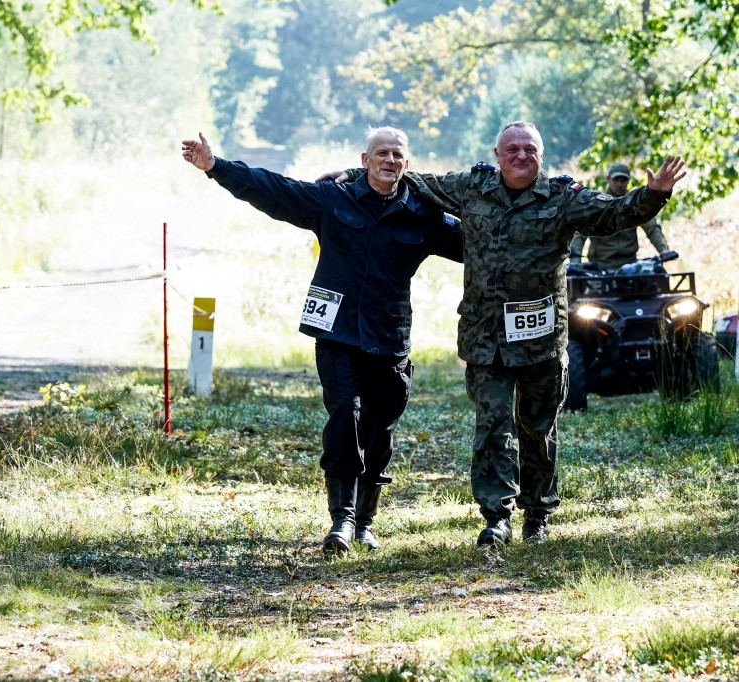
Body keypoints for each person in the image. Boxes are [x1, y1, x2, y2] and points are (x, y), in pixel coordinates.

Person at [330, 121, 686, 546]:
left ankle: (536, 513)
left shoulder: (563, 197)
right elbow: (411, 179)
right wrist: (353, 174)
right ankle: (496, 516)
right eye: (512, 149)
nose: (521, 156)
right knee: (492, 425)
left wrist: (655, 193)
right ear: (497, 155)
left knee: (537, 428)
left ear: (541, 156)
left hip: (541, 340)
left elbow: (614, 215)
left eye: (529, 150)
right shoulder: (472, 188)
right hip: (486, 339)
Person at [181, 128, 463, 554]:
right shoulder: (334, 199)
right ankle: (342, 522)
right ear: (364, 160)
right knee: (345, 417)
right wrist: (216, 166)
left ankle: (366, 522)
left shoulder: (421, 213)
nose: (390, 161)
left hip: (389, 337)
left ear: (407, 163)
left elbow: (480, 244)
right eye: (381, 154)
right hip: (337, 333)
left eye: (398, 155)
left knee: (379, 429)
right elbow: (274, 189)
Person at [568, 162, 674, 270]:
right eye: (616, 179)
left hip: (629, 265)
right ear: (608, 179)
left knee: (659, 274)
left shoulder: (635, 205)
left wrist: (664, 250)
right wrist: (575, 261)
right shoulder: (598, 204)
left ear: (628, 181)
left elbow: (652, 227)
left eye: (623, 180)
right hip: (600, 266)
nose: (620, 184)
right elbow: (579, 234)